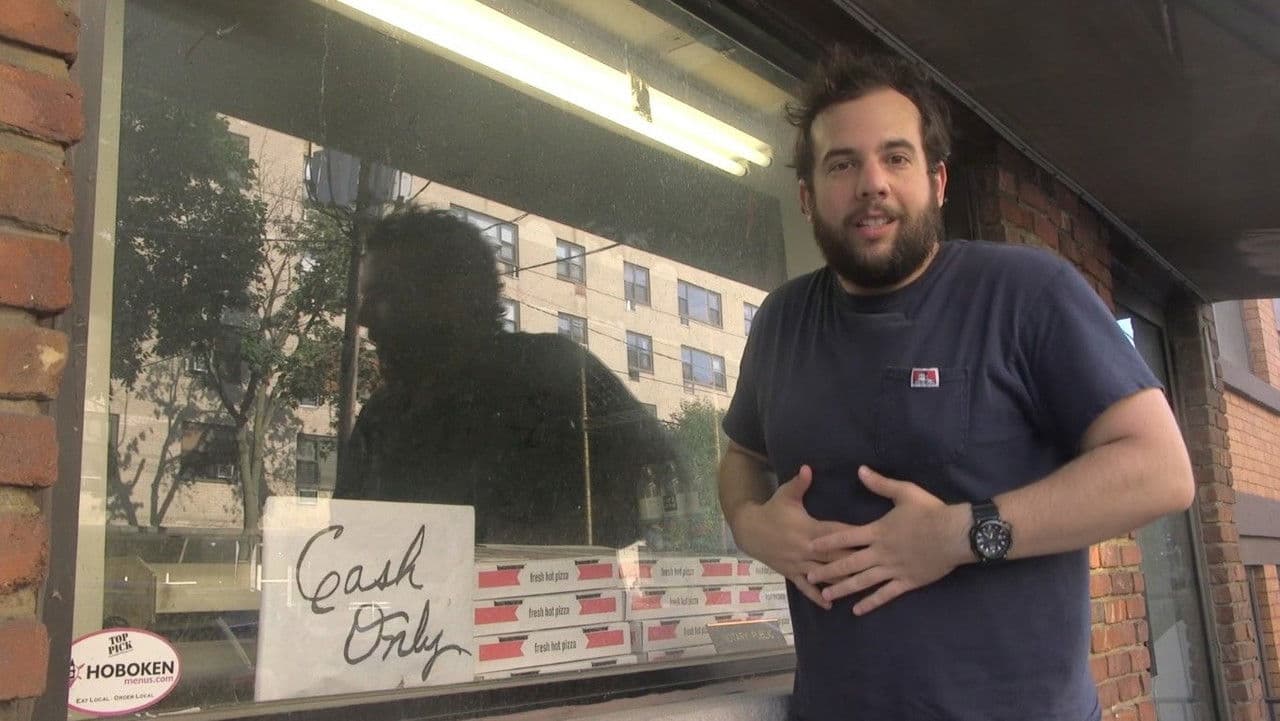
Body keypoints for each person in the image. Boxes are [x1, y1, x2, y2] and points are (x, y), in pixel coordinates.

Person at [717, 48, 1194, 721]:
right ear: (806, 196)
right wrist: (750, 524)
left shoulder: (1027, 293)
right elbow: (741, 457)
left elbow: (1161, 470)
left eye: (896, 157)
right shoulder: (781, 321)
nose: (871, 183)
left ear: (937, 181)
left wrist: (960, 534)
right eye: (842, 164)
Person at [336, 207, 676, 547]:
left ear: (449, 296)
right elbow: (343, 541)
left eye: (385, 294)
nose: (363, 316)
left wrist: (535, 548)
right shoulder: (381, 416)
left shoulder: (556, 373)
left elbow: (667, 486)